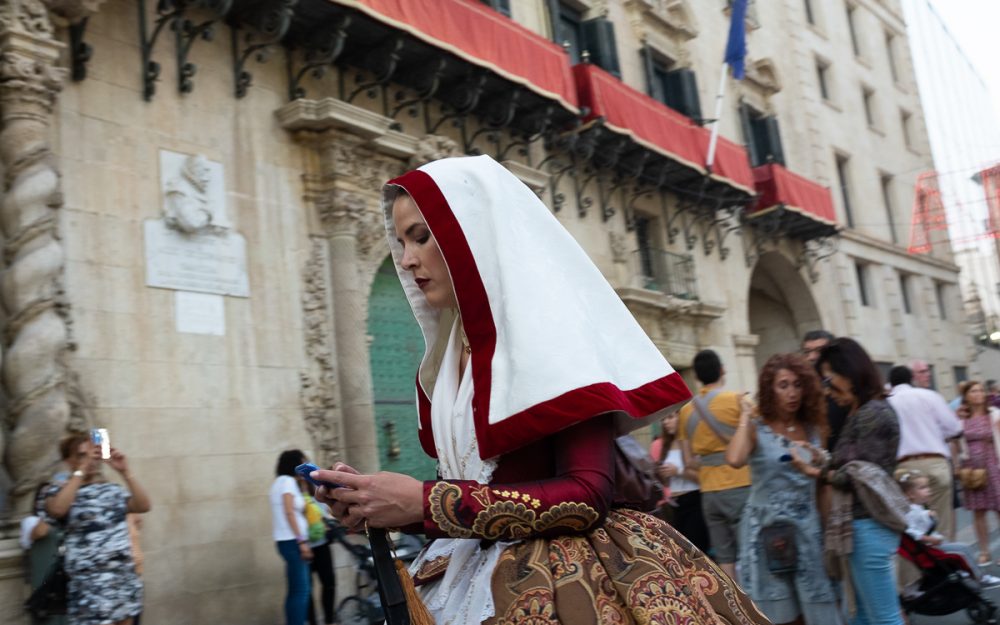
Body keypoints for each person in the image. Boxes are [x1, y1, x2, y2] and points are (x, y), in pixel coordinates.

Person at [311, 155, 770, 624]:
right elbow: (471, 492)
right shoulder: (446, 360)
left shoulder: (553, 336)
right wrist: (379, 502)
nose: (407, 260)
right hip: (460, 577)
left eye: (422, 237)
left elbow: (588, 494)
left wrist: (426, 501)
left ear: (475, 234)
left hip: (568, 582)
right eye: (402, 241)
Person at [726, 353, 839, 625]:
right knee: (779, 615)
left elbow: (821, 484)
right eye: (783, 385)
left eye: (798, 385)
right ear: (769, 389)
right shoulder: (756, 427)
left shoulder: (813, 429)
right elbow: (734, 459)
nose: (792, 393)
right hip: (767, 533)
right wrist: (744, 416)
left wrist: (829, 531)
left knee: (816, 610)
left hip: (808, 532)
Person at [816, 338, 905, 625]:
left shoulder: (873, 414)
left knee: (883, 617)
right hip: (859, 527)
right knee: (863, 617)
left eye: (830, 380)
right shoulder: (859, 411)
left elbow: (863, 478)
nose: (827, 390)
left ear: (850, 372)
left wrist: (820, 472)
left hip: (868, 525)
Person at [45, 433, 151, 625]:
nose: (90, 460)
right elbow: (58, 509)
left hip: (122, 579)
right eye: (81, 455)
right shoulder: (57, 490)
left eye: (92, 454)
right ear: (69, 461)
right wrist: (80, 472)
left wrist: (125, 472)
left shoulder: (111, 490)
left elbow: (143, 505)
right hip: (89, 586)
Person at [676, 349, 751, 579]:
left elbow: (687, 461)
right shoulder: (738, 400)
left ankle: (737, 607)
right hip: (741, 484)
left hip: (709, 492)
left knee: (724, 555)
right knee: (750, 551)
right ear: (722, 370)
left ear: (697, 378)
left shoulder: (686, 411)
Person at [886, 365, 962, 540]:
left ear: (891, 382)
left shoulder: (886, 402)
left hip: (903, 467)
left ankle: (917, 564)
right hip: (934, 461)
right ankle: (945, 562)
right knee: (942, 521)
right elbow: (954, 428)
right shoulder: (930, 396)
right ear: (910, 379)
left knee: (909, 523)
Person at [896, 470, 1000, 586]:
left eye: (927, 486)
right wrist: (929, 538)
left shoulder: (918, 508)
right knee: (962, 551)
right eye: (922, 488)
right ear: (910, 494)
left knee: (963, 548)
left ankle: (973, 574)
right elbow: (911, 531)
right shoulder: (911, 511)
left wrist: (928, 515)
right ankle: (980, 578)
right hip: (930, 548)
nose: (928, 490)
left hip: (933, 546)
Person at [648, 409, 709, 551]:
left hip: (694, 500)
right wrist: (664, 475)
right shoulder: (665, 445)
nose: (666, 422)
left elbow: (704, 478)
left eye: (670, 417)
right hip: (675, 504)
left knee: (696, 550)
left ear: (681, 418)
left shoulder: (692, 443)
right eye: (663, 419)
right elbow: (667, 483)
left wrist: (679, 471)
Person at [955, 381, 1000, 566]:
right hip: (971, 468)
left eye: (981, 390)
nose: (979, 393)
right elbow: (954, 441)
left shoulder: (994, 414)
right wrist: (957, 464)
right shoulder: (960, 419)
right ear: (966, 396)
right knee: (978, 511)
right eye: (974, 391)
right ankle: (984, 551)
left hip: (993, 464)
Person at [271, 450, 313, 625]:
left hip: (285, 541)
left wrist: (303, 486)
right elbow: (289, 512)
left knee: (296, 589)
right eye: (302, 464)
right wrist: (301, 541)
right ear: (294, 465)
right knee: (301, 590)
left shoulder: (278, 483)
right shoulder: (287, 482)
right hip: (292, 542)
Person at [21, 482, 66, 625]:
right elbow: (41, 531)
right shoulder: (30, 521)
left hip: (64, 587)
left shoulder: (65, 522)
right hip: (44, 588)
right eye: (51, 496)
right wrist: (50, 510)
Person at [802, 329, 849, 452]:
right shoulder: (801, 389)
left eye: (819, 351)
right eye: (807, 352)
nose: (812, 357)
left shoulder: (847, 385)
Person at [303, 482, 337, 625]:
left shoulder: (316, 492)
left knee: (329, 584)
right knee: (306, 591)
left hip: (322, 546)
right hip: (305, 549)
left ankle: (329, 620)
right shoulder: (294, 494)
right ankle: (312, 622)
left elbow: (326, 514)